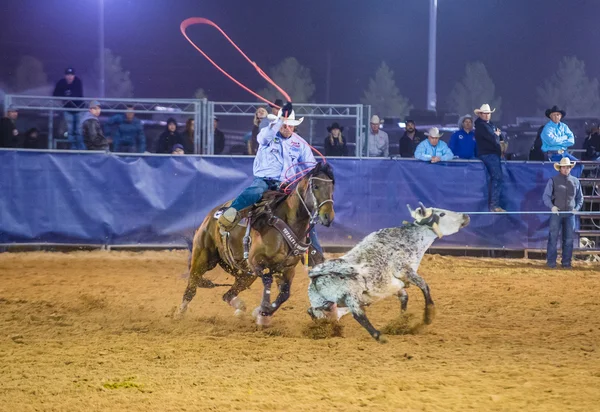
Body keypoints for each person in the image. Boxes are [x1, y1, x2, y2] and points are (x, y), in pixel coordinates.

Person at [217, 102, 324, 261]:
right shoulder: (268, 135)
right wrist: (280, 119)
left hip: (288, 186)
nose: (287, 128)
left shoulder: (300, 143)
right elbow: (263, 137)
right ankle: (231, 213)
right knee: (255, 192)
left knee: (304, 213)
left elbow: (309, 166)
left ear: (294, 127)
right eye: (284, 125)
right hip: (265, 181)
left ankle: (316, 256)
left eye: (290, 125)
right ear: (279, 124)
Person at [542, 157, 583, 269]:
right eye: (564, 167)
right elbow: (546, 196)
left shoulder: (575, 181)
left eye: (568, 167)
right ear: (560, 168)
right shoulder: (553, 180)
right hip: (557, 213)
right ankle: (551, 262)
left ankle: (566, 263)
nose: (566, 169)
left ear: (570, 168)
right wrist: (552, 207)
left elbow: (580, 198)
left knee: (569, 239)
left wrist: (577, 208)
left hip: (570, 214)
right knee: (553, 237)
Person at [474, 103, 505, 212]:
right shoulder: (481, 126)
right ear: (480, 114)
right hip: (488, 153)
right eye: (485, 113)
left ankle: (494, 204)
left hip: (492, 153)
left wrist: (496, 135)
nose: (487, 115)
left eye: (488, 113)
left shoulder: (489, 125)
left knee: (495, 177)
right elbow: (493, 138)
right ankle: (494, 205)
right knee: (497, 177)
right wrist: (496, 135)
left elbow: (499, 136)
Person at [53, 67, 85, 150]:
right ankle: (72, 148)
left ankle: (81, 149)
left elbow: (78, 94)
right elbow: (55, 94)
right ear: (65, 76)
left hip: (79, 109)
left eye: (71, 75)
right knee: (70, 131)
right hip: (68, 110)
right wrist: (65, 97)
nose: (70, 77)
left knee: (79, 130)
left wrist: (68, 96)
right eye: (68, 75)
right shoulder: (61, 83)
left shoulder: (78, 81)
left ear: (74, 76)